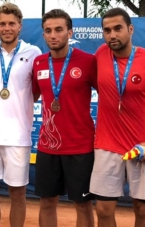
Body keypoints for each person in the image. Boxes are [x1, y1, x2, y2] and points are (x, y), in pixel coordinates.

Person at [89, 7, 145, 227]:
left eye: (118, 28)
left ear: (130, 29)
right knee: (103, 209)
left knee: (143, 210)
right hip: (107, 145)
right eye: (107, 30)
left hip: (144, 147)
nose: (112, 35)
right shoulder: (101, 54)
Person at [0, 3, 41, 227]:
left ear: (20, 26)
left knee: (17, 193)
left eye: (11, 24)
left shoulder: (33, 53)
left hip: (17, 136)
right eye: (2, 24)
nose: (6, 28)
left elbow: (37, 89)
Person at [31, 9, 96, 227]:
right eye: (48, 31)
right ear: (43, 35)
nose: (53, 35)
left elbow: (109, 94)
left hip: (81, 147)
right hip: (48, 146)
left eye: (59, 30)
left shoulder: (88, 61)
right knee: (47, 202)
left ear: (70, 32)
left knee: (83, 205)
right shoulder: (39, 63)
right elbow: (29, 96)